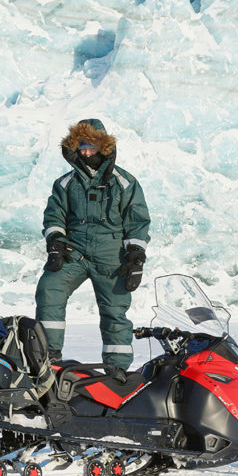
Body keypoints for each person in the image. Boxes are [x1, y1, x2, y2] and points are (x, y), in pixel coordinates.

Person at [34, 119, 151, 381]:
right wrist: (56, 244)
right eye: (81, 147)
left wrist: (135, 257)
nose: (86, 152)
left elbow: (138, 221)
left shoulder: (125, 182)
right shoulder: (64, 183)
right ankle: (48, 356)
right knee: (49, 290)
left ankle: (117, 368)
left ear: (103, 147)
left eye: (91, 147)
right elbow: (54, 215)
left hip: (111, 255)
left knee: (114, 309)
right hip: (73, 252)